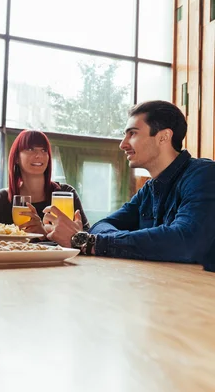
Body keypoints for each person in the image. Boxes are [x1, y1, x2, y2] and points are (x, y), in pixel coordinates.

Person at [43, 100, 215, 267]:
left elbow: (185, 241)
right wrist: (99, 240)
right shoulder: (149, 190)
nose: (122, 144)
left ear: (164, 137)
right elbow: (100, 226)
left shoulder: (204, 175)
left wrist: (89, 242)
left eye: (132, 133)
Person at [0, 129, 89, 237]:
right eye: (30, 149)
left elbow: (86, 234)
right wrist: (8, 232)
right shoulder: (2, 199)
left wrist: (44, 233)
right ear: (16, 158)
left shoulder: (65, 193)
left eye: (44, 150)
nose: (39, 155)